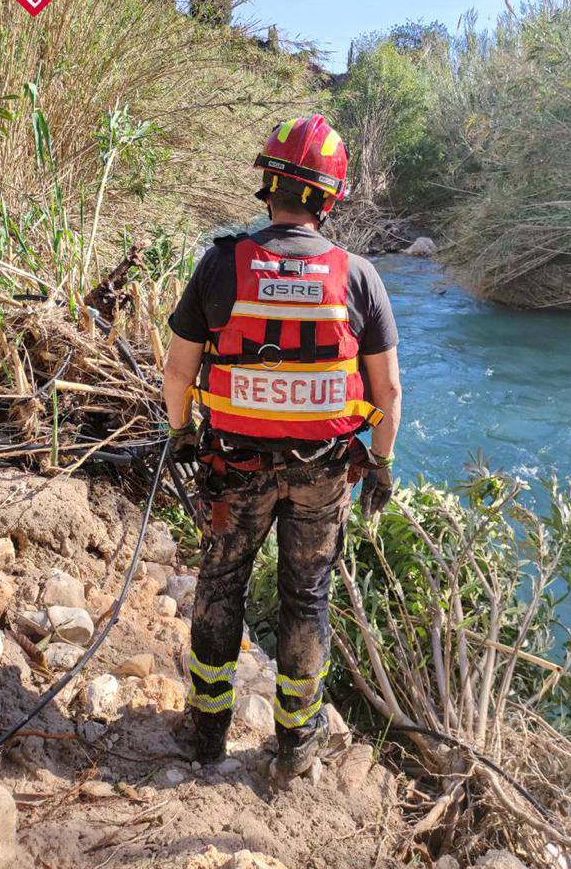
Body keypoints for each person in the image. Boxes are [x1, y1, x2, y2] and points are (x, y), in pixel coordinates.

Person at [162, 114, 401, 779]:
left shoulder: (220, 265)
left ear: (269, 184)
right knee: (306, 601)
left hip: (234, 472)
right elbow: (388, 393)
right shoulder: (359, 278)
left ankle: (208, 733)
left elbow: (178, 373)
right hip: (323, 477)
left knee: (220, 589)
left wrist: (181, 432)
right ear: (330, 199)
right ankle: (296, 746)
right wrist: (378, 463)